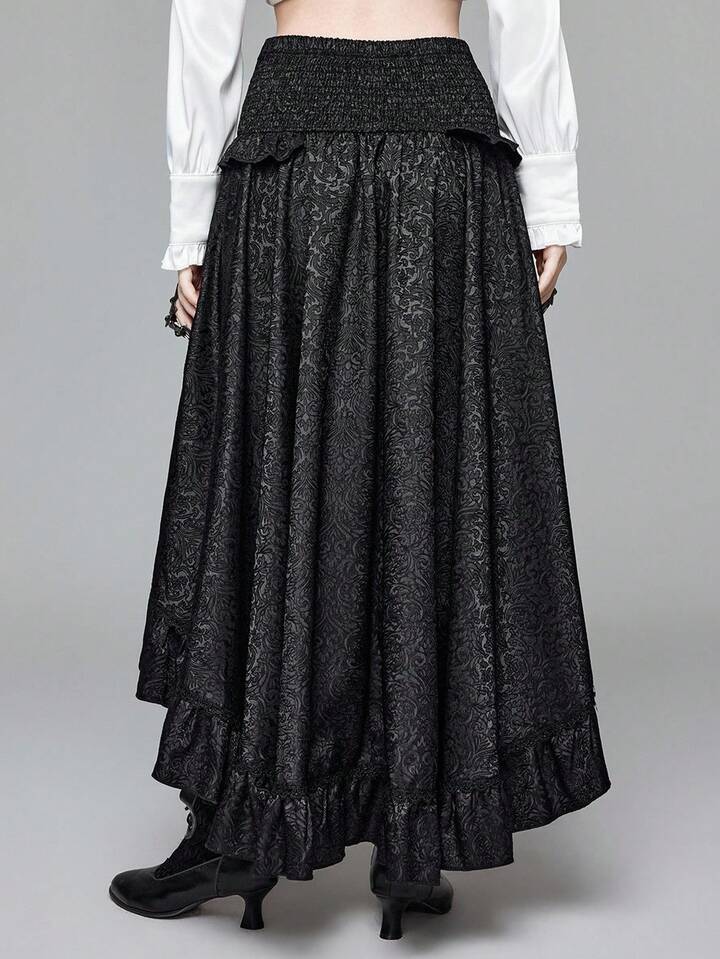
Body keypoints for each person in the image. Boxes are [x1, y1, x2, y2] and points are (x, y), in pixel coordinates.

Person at [109, 0, 610, 941]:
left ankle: (239, 827)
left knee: (279, 475)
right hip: (444, 148)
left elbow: (205, 20)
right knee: (431, 473)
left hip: (292, 150)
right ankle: (410, 841)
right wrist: (550, 191)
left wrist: (192, 222)